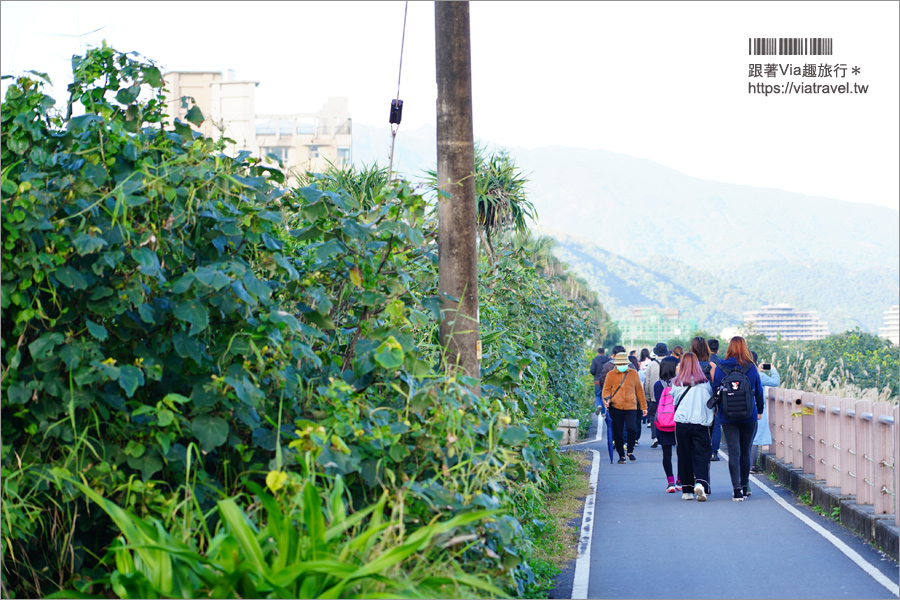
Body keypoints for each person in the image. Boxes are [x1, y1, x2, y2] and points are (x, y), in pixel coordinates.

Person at [708, 336, 765, 501]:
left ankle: (737, 489)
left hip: (727, 416)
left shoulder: (721, 367)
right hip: (749, 415)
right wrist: (759, 410)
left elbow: (715, 390)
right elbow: (759, 391)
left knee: (734, 452)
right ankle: (745, 485)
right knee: (745, 452)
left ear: (729, 348)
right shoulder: (751, 367)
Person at [672, 352, 715, 501]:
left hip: (682, 423)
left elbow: (674, 398)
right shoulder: (704, 383)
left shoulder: (677, 382)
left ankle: (687, 490)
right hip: (701, 423)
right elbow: (710, 399)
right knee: (702, 454)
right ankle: (701, 483)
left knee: (684, 455)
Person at [602, 353, 647, 463]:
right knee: (618, 432)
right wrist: (606, 400)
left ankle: (630, 451)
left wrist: (643, 407)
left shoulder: (633, 373)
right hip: (615, 407)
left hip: (631, 406)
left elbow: (639, 391)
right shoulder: (611, 375)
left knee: (632, 429)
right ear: (616, 364)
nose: (622, 365)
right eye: (619, 364)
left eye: (624, 363)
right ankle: (621, 455)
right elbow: (606, 389)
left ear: (627, 364)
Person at [750, 351, 780, 473]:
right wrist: (773, 369)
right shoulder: (759, 376)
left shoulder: (741, 372)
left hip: (742, 408)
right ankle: (752, 466)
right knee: (755, 439)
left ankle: (745, 465)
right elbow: (775, 382)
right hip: (757, 410)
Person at [653, 356, 680, 491]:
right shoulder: (680, 383)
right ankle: (680, 480)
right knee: (682, 452)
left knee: (666, 454)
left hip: (663, 423)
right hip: (678, 422)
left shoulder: (658, 385)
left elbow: (658, 403)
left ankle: (670, 482)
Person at [643, 342, 667, 447]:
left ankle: (655, 437)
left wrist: (647, 395)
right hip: (668, 396)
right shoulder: (669, 363)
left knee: (653, 417)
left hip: (654, 396)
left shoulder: (651, 365)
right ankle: (667, 436)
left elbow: (647, 382)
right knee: (667, 415)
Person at [708, 337, 723, 461]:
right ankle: (714, 452)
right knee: (717, 424)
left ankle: (705, 449)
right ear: (717, 350)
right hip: (718, 396)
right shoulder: (721, 363)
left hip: (704, 396)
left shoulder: (701, 362)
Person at [590, 348, 611, 415]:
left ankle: (599, 405)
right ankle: (603, 412)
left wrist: (596, 375)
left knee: (597, 395)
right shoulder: (608, 360)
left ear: (597, 353)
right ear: (604, 353)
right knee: (604, 396)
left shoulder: (595, 360)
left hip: (597, 380)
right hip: (606, 380)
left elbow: (592, 370)